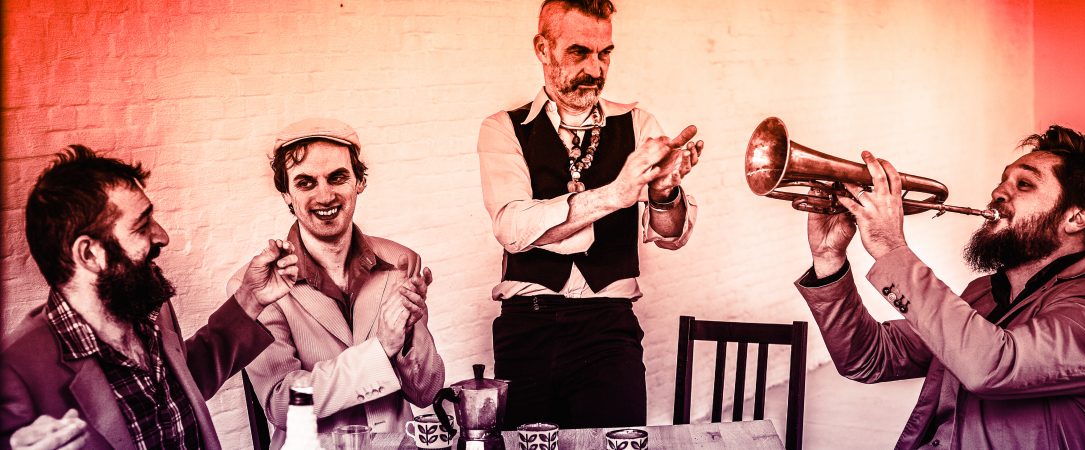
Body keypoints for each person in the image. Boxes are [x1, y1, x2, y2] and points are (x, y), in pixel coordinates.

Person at [795, 125, 1085, 449]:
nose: (998, 192)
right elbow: (869, 358)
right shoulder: (982, 294)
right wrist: (829, 259)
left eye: (1024, 184)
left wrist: (890, 247)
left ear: (1075, 218)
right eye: (1003, 180)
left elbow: (993, 365)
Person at [476, 0, 704, 428]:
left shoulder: (638, 124)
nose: (596, 69)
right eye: (579, 52)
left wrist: (664, 194)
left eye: (605, 54)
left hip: (609, 327)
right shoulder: (502, 128)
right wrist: (616, 194)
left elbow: (671, 235)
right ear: (543, 49)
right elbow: (512, 228)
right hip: (527, 325)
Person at [0, 145, 299, 450]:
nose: (162, 236)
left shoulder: (148, 306)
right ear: (89, 254)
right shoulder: (15, 371)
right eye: (142, 225)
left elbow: (181, 384)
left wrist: (251, 298)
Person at [235, 118, 444, 448]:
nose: (325, 195)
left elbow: (425, 392)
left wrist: (409, 338)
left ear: (359, 182)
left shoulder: (402, 262)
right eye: (306, 183)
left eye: (337, 177)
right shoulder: (257, 286)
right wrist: (380, 350)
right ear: (286, 194)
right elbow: (281, 405)